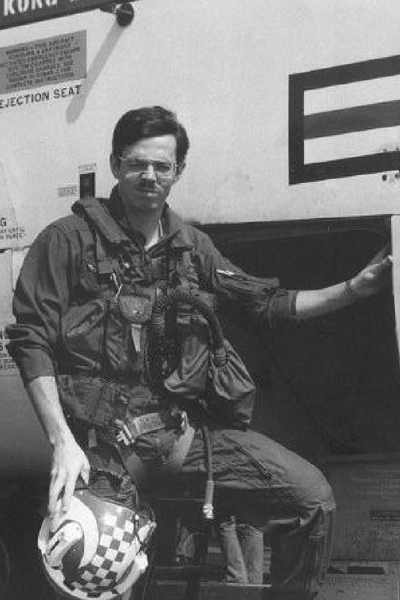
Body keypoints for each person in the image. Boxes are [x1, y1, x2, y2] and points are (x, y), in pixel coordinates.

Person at [7, 105, 391, 599]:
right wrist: (61, 441)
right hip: (104, 450)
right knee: (94, 562)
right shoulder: (66, 241)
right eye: (137, 163)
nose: (149, 175)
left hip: (183, 439)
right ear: (115, 165)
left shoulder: (194, 249)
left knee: (310, 499)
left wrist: (353, 290)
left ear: (178, 172)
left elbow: (266, 303)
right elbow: (31, 337)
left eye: (161, 166)